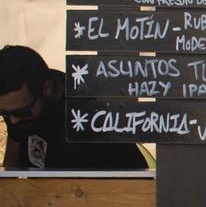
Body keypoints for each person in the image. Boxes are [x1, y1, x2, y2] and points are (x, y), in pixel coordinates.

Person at [0, 46, 148, 171]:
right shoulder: (19, 106)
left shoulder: (91, 117)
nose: (13, 120)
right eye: (5, 114)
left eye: (22, 112)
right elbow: (11, 164)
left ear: (47, 89)